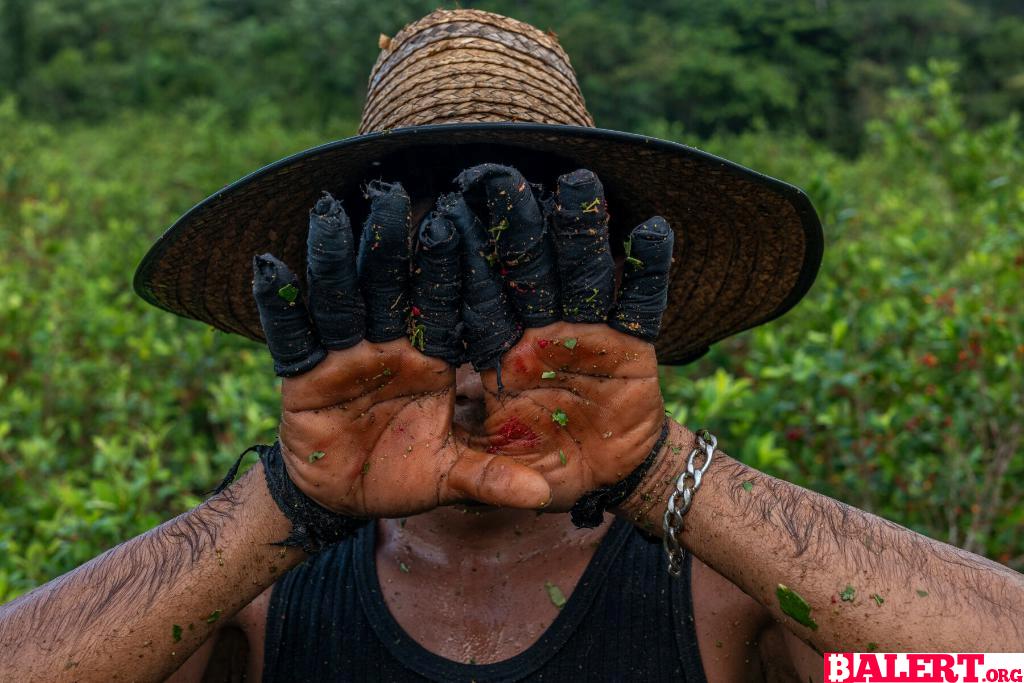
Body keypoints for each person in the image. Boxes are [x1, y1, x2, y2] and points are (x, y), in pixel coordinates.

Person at [1, 9, 1021, 682]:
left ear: (605, 285)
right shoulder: (253, 604)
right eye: (421, 268)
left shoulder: (722, 593)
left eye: (522, 263)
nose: (475, 327)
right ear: (353, 287)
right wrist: (291, 501)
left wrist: (660, 469)